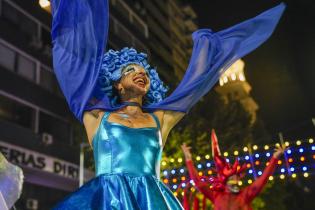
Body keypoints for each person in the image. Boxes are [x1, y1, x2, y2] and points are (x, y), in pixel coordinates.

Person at [51, 0, 285, 209]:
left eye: (144, 72)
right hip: (107, 199)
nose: (140, 74)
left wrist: (205, 50)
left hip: (151, 200)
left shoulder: (160, 119)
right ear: (117, 85)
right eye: (131, 70)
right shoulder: (97, 117)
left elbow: (192, 88)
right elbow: (72, 66)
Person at [181, 130, 286, 210]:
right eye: (232, 179)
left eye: (236, 179)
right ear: (225, 182)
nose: (236, 182)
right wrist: (188, 160)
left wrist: (275, 158)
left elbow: (263, 179)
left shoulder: (245, 195)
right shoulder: (216, 196)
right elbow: (198, 182)